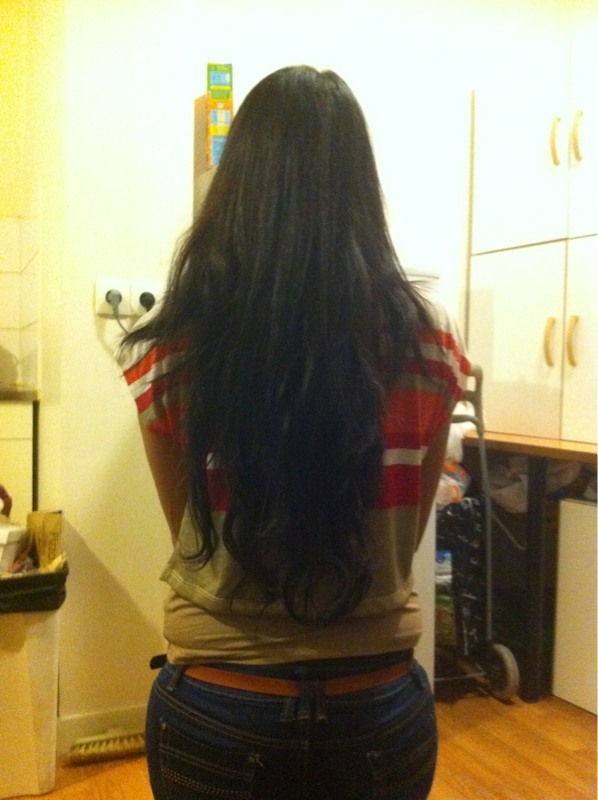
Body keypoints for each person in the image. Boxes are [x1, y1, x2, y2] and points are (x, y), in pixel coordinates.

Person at [119, 65, 470, 800]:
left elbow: (189, 533)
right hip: (377, 709)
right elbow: (402, 540)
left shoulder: (171, 347)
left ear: (239, 183)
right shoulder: (432, 343)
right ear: (360, 188)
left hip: (218, 706)